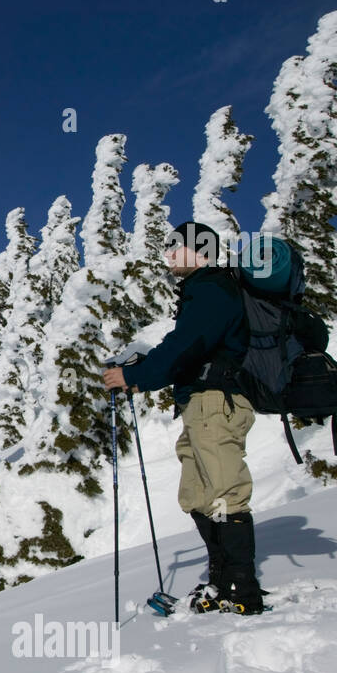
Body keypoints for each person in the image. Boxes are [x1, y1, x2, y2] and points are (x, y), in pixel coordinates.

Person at [101, 221, 265, 614]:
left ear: (201, 250)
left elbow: (186, 344)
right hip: (201, 404)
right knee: (198, 495)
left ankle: (241, 590)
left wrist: (137, 375)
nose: (169, 253)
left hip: (217, 403)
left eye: (177, 246)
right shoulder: (202, 292)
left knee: (225, 493)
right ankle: (221, 581)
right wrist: (144, 375)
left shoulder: (212, 288)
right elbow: (188, 348)